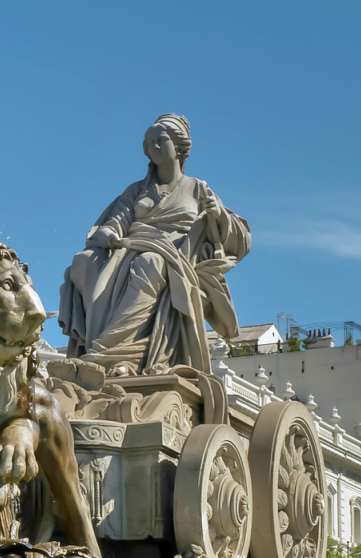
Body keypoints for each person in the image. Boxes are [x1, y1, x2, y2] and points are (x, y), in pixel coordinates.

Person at [59, 114, 250, 375]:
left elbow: (240, 240)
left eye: (161, 140)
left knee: (149, 261)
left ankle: (108, 353)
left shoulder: (197, 188)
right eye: (149, 142)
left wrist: (218, 215)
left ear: (180, 146)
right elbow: (116, 220)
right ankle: (99, 345)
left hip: (175, 255)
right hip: (131, 246)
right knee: (83, 262)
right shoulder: (137, 190)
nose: (154, 147)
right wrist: (108, 233)